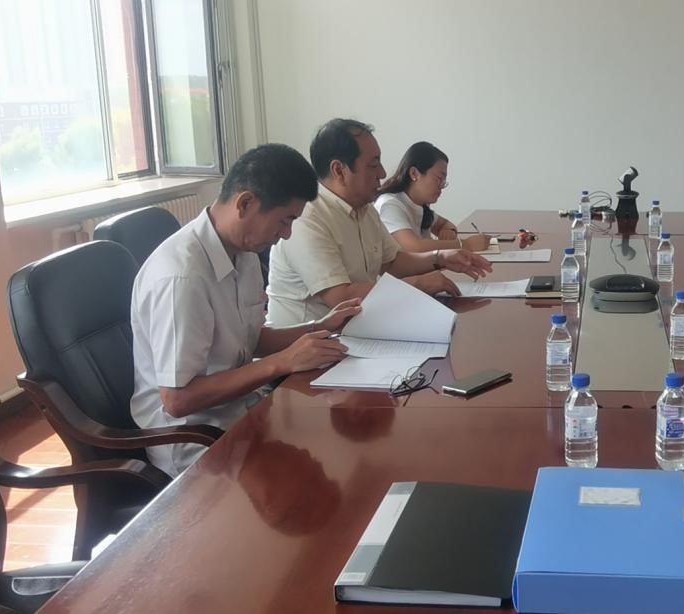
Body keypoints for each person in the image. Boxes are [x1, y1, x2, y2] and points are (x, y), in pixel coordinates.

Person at [130, 144, 362, 476]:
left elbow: (246, 340)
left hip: (239, 410)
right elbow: (178, 399)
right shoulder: (182, 277)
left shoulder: (244, 253)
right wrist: (283, 361)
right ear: (246, 203)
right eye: (285, 220)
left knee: (341, 440)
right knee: (318, 471)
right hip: (194, 437)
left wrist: (320, 327)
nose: (286, 234)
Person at [266, 119, 493, 326]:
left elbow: (393, 262)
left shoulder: (365, 209)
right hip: (307, 347)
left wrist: (440, 258)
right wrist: (420, 284)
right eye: (373, 165)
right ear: (339, 170)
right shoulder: (306, 217)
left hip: (359, 327)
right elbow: (341, 296)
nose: (383, 173)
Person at [375, 141, 491, 252]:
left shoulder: (419, 204)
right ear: (414, 173)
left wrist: (449, 230)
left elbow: (445, 224)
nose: (441, 187)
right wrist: (466, 245)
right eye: (439, 179)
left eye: (443, 182)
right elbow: (415, 247)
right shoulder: (389, 204)